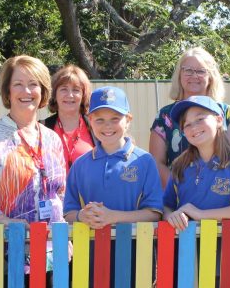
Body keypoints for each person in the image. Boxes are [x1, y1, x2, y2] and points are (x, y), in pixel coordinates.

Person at [0, 55, 66, 225]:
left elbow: (60, 193)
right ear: (8, 91)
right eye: (18, 84)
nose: (27, 91)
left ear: (43, 90)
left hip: (52, 244)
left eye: (33, 84)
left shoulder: (52, 138)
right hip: (5, 244)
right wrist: (2, 220)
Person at [64, 86, 163, 228]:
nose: (107, 126)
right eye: (100, 120)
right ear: (90, 120)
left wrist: (113, 217)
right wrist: (82, 216)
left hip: (134, 248)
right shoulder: (80, 165)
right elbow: (68, 214)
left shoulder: (145, 161)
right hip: (90, 248)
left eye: (115, 118)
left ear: (128, 120)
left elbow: (154, 213)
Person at [162, 96, 230, 232]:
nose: (194, 127)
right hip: (185, 246)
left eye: (200, 119)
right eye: (187, 124)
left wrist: (201, 215)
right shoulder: (179, 165)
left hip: (225, 247)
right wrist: (171, 216)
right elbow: (166, 206)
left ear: (219, 120)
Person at [150, 47, 230, 187]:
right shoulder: (164, 116)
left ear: (211, 77)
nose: (194, 76)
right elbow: (156, 162)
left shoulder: (226, 112)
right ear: (179, 75)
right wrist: (179, 190)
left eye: (201, 71)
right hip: (177, 197)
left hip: (220, 195)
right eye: (188, 70)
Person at [42, 65, 94, 171]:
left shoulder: (96, 127)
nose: (70, 95)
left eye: (76, 90)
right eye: (64, 89)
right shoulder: (41, 128)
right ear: (54, 94)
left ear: (83, 95)